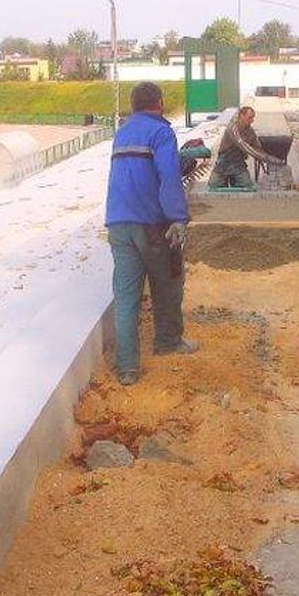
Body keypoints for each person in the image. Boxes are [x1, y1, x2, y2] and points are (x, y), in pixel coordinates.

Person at [105, 81, 198, 387]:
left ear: (133, 105)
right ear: (159, 102)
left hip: (118, 224)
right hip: (152, 223)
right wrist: (178, 218)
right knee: (168, 282)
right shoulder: (161, 131)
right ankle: (168, 341)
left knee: (126, 296)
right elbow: (168, 176)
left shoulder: (122, 132)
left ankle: (128, 367)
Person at [208, 106, 285, 189]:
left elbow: (256, 147)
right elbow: (244, 146)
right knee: (213, 186)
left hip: (238, 163)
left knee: (248, 186)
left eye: (253, 118)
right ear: (241, 116)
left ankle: (235, 181)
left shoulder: (250, 131)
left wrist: (269, 157)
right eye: (250, 118)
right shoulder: (233, 128)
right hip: (224, 163)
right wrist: (266, 158)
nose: (252, 120)